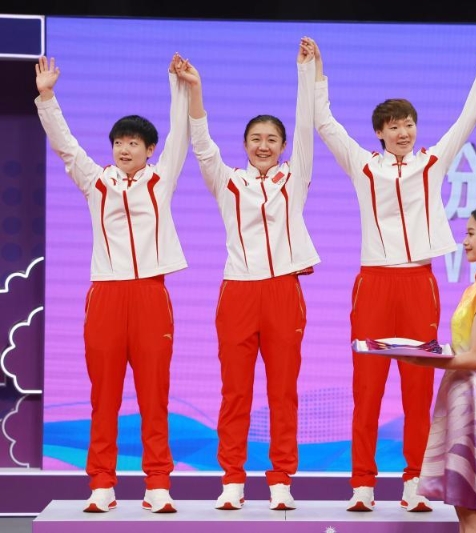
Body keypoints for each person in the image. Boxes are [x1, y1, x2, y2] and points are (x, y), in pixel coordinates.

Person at [312, 40, 476, 512]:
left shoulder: (432, 162)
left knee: (417, 390)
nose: (403, 132)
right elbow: (324, 123)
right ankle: (362, 485)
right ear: (380, 133)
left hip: (418, 285)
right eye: (394, 126)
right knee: (367, 390)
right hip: (374, 284)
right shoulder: (363, 166)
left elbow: (467, 119)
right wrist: (317, 70)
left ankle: (415, 481)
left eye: (408, 124)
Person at [35, 54, 191, 513]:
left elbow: (180, 134)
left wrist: (178, 85)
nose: (124, 149)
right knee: (103, 397)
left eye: (133, 143)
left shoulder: (161, 180)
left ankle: (158, 484)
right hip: (105, 294)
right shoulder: (96, 182)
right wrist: (47, 96)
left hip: (150, 296)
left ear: (149, 149)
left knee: (154, 395)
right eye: (119, 142)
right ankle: (101, 484)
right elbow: (65, 146)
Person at [177, 38, 319, 511]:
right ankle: (232, 480)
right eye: (256, 138)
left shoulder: (294, 177)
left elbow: (306, 127)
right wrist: (195, 88)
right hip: (237, 292)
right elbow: (201, 144)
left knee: (283, 392)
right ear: (244, 145)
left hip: (283, 293)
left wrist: (306, 71)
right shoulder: (227, 181)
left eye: (272, 139)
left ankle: (281, 481)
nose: (263, 145)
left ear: (283, 147)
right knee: (235, 392)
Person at [396, 200, 476, 533]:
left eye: (471, 234)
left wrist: (421, 359)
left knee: (471, 508)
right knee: (464, 508)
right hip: (463, 396)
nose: (464, 241)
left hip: (475, 401)